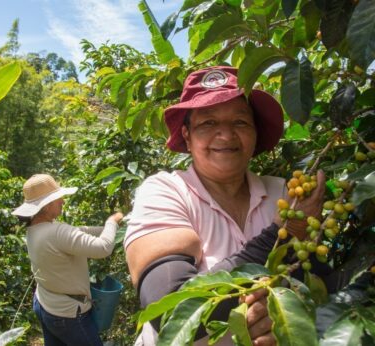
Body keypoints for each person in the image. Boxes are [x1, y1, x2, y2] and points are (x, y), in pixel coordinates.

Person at [124, 66, 325, 345]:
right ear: (186, 135)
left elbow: (314, 282)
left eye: (241, 122)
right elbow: (170, 311)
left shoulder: (283, 192)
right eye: (208, 123)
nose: (226, 135)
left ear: (255, 133)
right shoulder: (166, 192)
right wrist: (286, 230)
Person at [12, 173, 123, 346]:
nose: (63, 201)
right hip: (69, 315)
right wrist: (112, 222)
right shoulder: (57, 232)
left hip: (44, 303)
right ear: (47, 205)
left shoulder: (35, 229)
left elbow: (78, 231)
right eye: (58, 198)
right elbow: (103, 248)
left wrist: (113, 231)